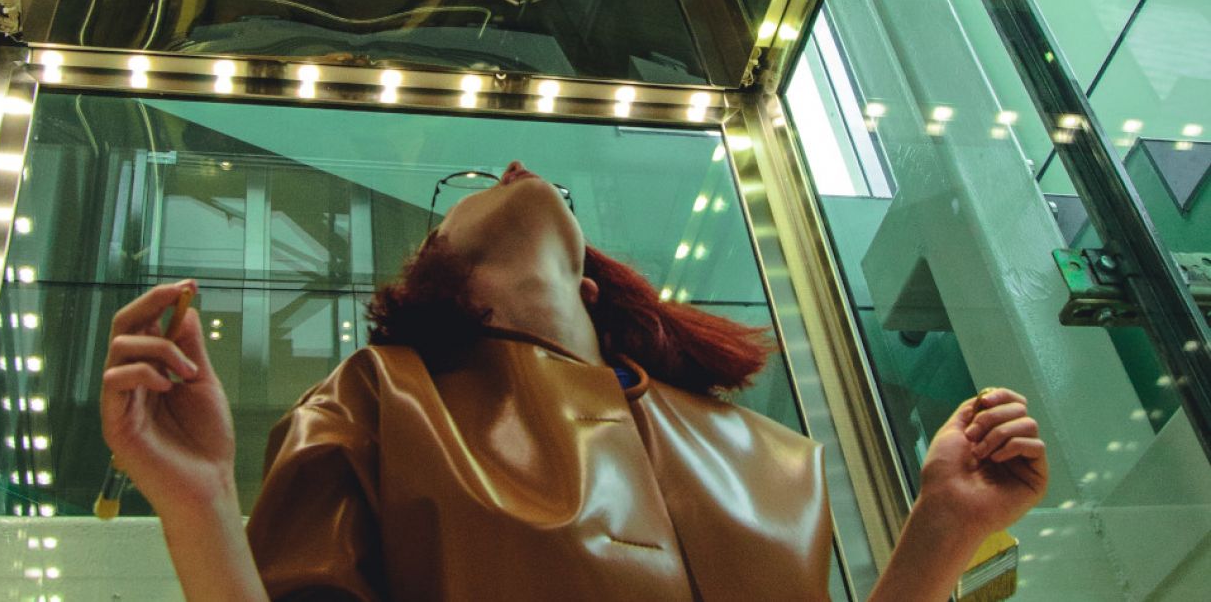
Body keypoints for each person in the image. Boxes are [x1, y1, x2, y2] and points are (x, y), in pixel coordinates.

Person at [101, 161, 1048, 600]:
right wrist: (201, 499)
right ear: (435, 270)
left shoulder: (767, 457)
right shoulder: (379, 397)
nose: (511, 167)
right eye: (472, 184)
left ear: (589, 286)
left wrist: (942, 528)